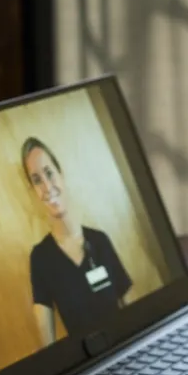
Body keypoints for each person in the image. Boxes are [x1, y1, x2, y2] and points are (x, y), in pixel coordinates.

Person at [24, 137, 132, 346]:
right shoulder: (40, 258)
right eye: (37, 180)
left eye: (49, 173)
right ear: (33, 191)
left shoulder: (99, 241)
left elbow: (130, 304)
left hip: (124, 349)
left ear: (61, 174)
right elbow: (49, 348)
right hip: (86, 364)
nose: (46, 187)